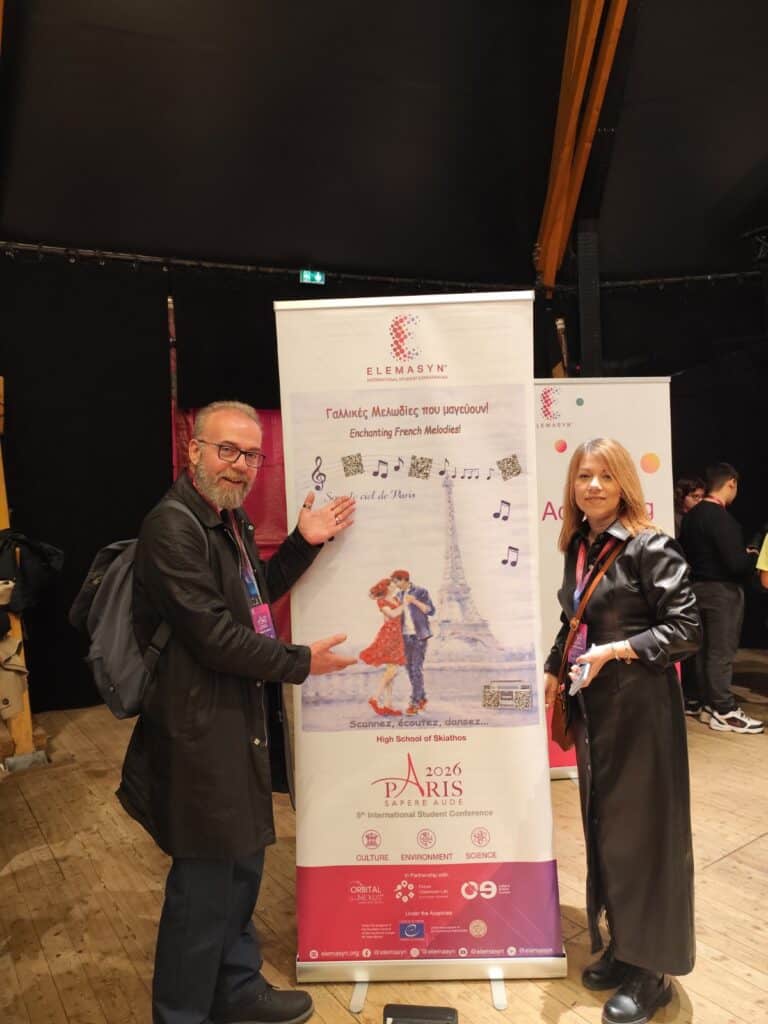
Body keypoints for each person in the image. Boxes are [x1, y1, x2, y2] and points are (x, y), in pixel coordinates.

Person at [117, 400, 357, 1024]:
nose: (240, 465)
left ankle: (237, 988)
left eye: (252, 455)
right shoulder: (172, 528)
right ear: (194, 449)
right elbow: (215, 637)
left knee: (243, 863)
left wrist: (303, 543)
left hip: (236, 717)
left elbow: (253, 599)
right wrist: (301, 662)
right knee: (202, 886)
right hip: (197, 729)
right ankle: (182, 1013)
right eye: (227, 450)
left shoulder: (229, 520)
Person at [544, 438, 700, 1024]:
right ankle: (623, 945)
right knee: (607, 830)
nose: (593, 486)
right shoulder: (579, 545)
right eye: (584, 475)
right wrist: (554, 667)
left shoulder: (649, 545)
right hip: (597, 713)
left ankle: (651, 970)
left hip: (642, 715)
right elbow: (574, 618)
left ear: (625, 484)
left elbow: (686, 629)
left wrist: (615, 650)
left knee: (647, 837)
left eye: (606, 476)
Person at [679, 462, 763, 733]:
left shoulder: (691, 516)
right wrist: (751, 556)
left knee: (701, 651)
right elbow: (736, 565)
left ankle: (707, 704)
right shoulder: (722, 518)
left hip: (695, 590)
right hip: (722, 593)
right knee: (721, 652)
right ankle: (725, 710)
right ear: (731, 483)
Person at [390, 569, 435, 716]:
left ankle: (415, 703)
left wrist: (414, 601)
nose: (395, 584)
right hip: (404, 637)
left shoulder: (421, 591)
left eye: (396, 581)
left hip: (419, 636)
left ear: (404, 579)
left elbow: (430, 611)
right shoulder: (398, 596)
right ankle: (422, 698)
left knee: (416, 669)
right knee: (409, 668)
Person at [360, 577, 405, 715]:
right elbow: (392, 614)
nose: (394, 586)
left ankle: (388, 705)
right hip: (389, 635)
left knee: (391, 671)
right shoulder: (382, 601)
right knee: (392, 670)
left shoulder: (395, 600)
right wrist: (406, 604)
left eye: (394, 584)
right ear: (386, 587)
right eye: (391, 584)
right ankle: (375, 698)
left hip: (397, 635)